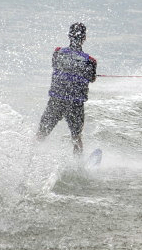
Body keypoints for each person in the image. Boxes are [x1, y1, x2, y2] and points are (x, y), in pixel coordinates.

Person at [36, 22, 97, 155]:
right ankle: (78, 164)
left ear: (69, 36)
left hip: (56, 102)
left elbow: (55, 66)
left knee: (41, 134)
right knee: (76, 137)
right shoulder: (90, 61)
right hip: (75, 105)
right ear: (84, 38)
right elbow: (92, 78)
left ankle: (29, 156)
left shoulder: (57, 53)